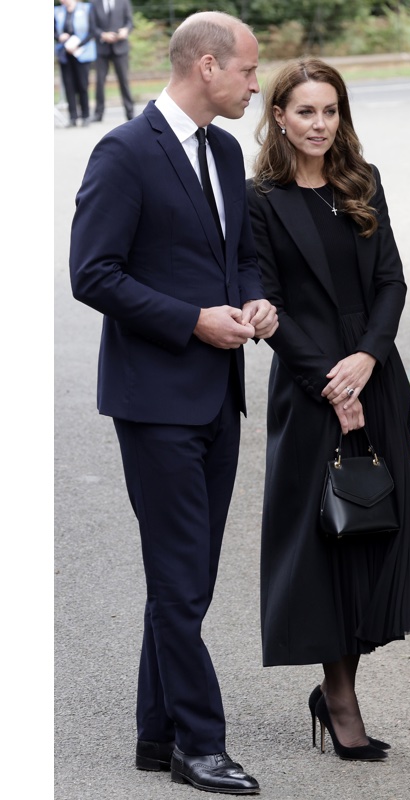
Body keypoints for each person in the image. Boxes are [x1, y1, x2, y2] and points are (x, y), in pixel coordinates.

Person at [69, 11, 277, 795]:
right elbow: (93, 273)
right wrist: (191, 321)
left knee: (184, 576)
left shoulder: (224, 152)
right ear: (208, 66)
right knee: (182, 579)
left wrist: (257, 306)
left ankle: (156, 737)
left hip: (219, 397)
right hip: (154, 400)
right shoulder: (124, 152)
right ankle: (199, 743)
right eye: (249, 72)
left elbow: (241, 261)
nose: (257, 86)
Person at [246, 58, 410, 762]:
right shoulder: (259, 198)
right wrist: (330, 378)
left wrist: (369, 358)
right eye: (306, 112)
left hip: (374, 375)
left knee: (378, 535)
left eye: (330, 111)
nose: (320, 124)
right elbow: (267, 301)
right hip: (310, 385)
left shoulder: (364, 180)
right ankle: (340, 697)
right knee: (327, 543)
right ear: (280, 118)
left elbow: (392, 279)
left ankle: (343, 683)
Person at [90, 0, 136, 122]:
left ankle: (130, 112)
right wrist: (103, 35)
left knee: (124, 81)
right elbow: (92, 27)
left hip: (120, 48)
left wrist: (125, 30)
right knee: (99, 82)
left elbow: (130, 22)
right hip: (102, 49)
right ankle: (98, 114)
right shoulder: (94, 3)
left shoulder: (124, 2)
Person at [54, 0, 97, 127]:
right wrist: (59, 37)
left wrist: (78, 45)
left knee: (82, 85)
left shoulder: (86, 8)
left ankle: (85, 116)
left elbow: (92, 31)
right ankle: (73, 117)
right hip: (65, 53)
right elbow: (53, 30)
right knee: (69, 86)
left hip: (82, 52)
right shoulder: (57, 11)